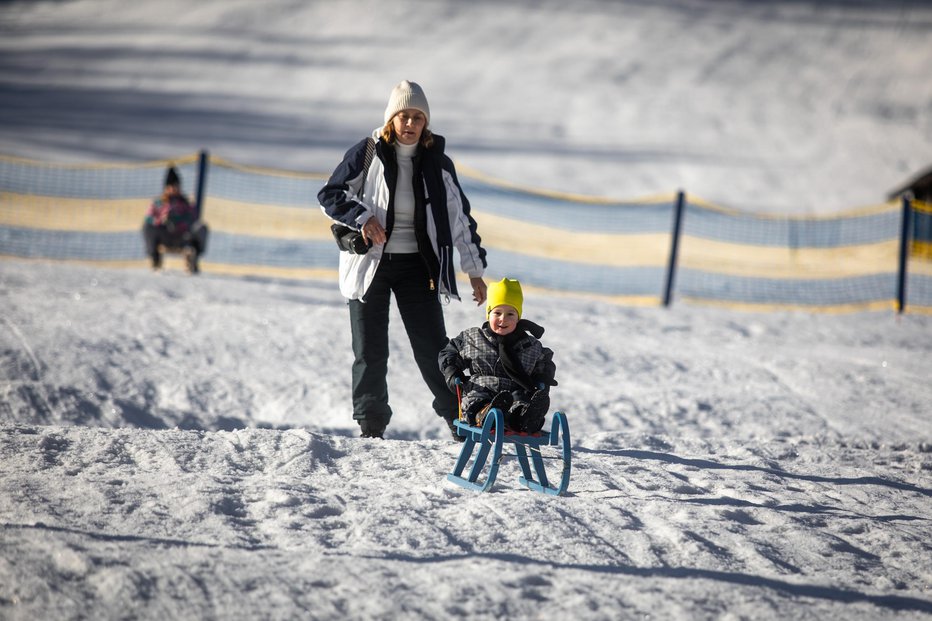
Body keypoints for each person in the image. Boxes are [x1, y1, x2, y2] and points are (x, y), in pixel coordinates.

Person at [318, 80, 488, 440]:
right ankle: (371, 425)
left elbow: (460, 219)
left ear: (425, 123)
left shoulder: (438, 163)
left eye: (417, 117)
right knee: (370, 350)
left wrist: (474, 272)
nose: (410, 124)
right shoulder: (368, 153)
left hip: (417, 268)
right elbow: (331, 195)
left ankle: (461, 422)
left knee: (435, 350)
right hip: (370, 266)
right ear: (391, 119)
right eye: (403, 116)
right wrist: (364, 219)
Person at [439, 278, 557, 433]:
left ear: (518, 317)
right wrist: (452, 370)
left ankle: (525, 418)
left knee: (520, 401)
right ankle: (486, 415)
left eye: (510, 314)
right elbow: (450, 352)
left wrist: (542, 377)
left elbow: (544, 361)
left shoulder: (530, 345)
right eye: (497, 312)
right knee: (477, 401)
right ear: (489, 314)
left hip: (515, 391)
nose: (503, 319)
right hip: (481, 388)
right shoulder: (473, 338)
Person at [143, 166, 208, 273]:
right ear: (165, 188)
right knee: (147, 227)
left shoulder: (186, 203)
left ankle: (194, 258)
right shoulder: (158, 203)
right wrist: (161, 220)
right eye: (170, 187)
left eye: (176, 187)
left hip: (183, 236)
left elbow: (194, 218)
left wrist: (181, 220)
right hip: (164, 235)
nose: (173, 190)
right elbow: (149, 218)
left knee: (202, 227)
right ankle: (155, 258)